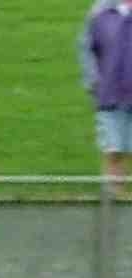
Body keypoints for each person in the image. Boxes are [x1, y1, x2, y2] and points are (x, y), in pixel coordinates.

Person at [79, 0, 132, 193]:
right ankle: (113, 208)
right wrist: (93, 82)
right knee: (113, 151)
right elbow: (86, 49)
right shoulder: (100, 12)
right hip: (110, 95)